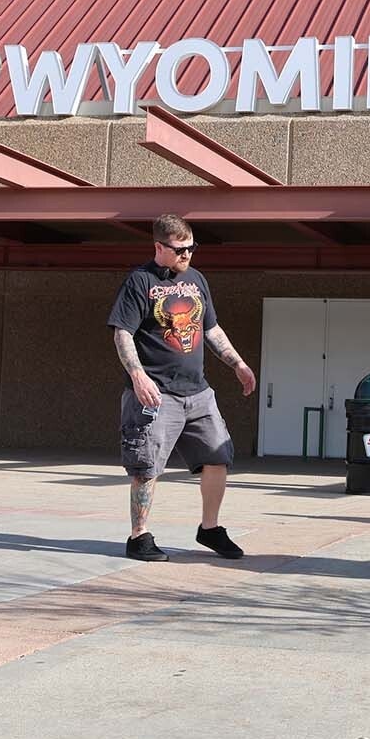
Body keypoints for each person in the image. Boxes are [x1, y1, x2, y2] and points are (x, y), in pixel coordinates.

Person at [108, 213, 257, 562]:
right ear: (159, 247)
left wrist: (238, 364)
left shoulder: (197, 280)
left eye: (191, 248)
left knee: (218, 456)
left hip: (198, 393)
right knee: (147, 466)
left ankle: (210, 529)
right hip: (157, 393)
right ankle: (139, 536)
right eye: (179, 250)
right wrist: (137, 375)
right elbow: (122, 333)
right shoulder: (139, 282)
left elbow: (211, 329)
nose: (187, 255)